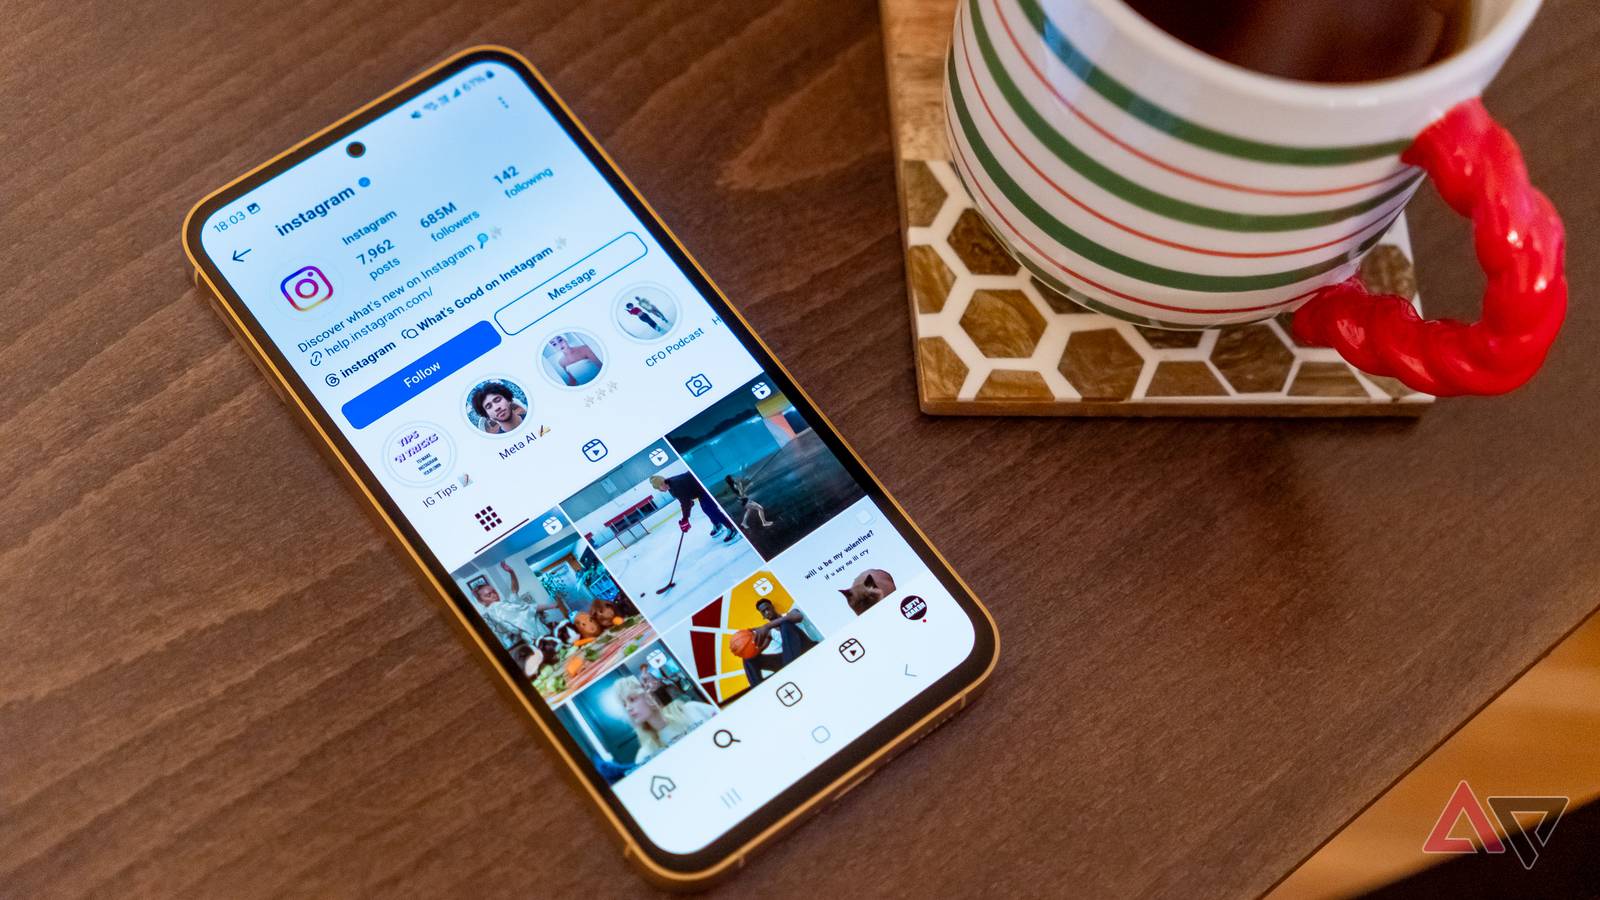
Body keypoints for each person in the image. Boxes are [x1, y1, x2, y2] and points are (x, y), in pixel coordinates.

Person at [615, 674, 715, 762]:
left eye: (632, 699)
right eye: (624, 704)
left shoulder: (693, 710)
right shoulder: (646, 754)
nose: (628, 708)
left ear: (649, 695)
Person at [471, 560, 567, 649]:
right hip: (538, 639)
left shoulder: (500, 606)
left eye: (494, 591)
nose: (494, 595)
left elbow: (514, 592)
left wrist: (511, 573)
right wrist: (553, 605)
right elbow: (526, 610)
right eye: (488, 595)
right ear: (481, 601)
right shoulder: (496, 608)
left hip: (538, 637)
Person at [741, 599, 821, 687]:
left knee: (785, 624)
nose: (767, 612)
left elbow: (798, 616)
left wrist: (766, 626)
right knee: (748, 657)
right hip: (787, 658)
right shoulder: (769, 632)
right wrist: (749, 643)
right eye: (764, 612)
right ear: (763, 615)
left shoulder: (790, 614)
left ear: (773, 608)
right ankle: (759, 688)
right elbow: (759, 649)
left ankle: (790, 669)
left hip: (805, 648)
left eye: (768, 609)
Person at [649, 472, 738, 543]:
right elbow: (687, 501)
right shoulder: (671, 487)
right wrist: (685, 518)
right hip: (699, 491)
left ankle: (731, 527)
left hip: (703, 487)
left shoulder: (675, 485)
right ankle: (717, 524)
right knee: (706, 509)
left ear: (661, 484)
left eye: (658, 488)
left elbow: (686, 503)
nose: (660, 490)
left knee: (710, 509)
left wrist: (685, 519)